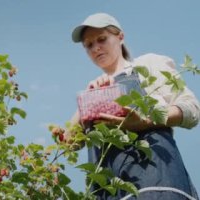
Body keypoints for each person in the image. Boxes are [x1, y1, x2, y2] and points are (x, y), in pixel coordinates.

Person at [70, 13, 200, 200]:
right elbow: (70, 143)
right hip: (108, 191)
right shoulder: (93, 91)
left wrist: (145, 121)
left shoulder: (146, 65)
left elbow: (191, 109)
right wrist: (88, 100)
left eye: (102, 39)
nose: (96, 48)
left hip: (154, 181)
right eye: (88, 45)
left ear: (120, 37)